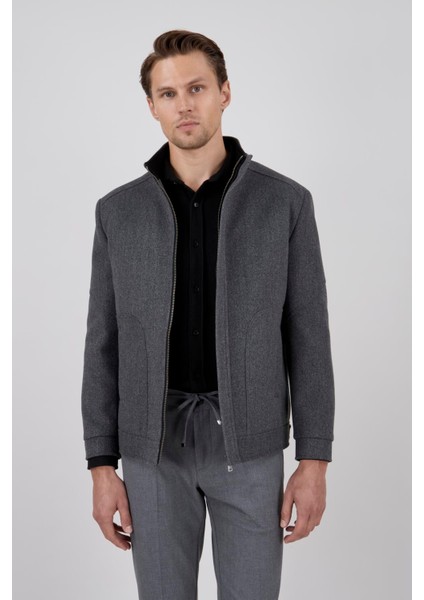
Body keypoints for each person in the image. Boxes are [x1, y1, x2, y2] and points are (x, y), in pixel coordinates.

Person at [81, 29, 335, 600]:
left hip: (250, 445)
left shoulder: (285, 203)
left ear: (225, 92)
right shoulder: (117, 212)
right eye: (168, 94)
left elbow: (309, 338)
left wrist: (314, 459)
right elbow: (103, 342)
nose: (184, 105)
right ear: (152, 106)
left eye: (196, 88)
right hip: (152, 448)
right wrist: (101, 465)